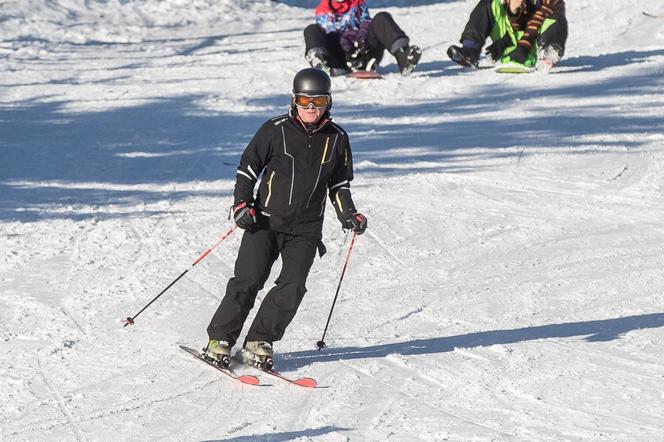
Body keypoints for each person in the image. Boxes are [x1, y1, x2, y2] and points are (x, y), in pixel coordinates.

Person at [204, 68, 368, 370]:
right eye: (305, 100)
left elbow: (339, 185)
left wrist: (348, 213)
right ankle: (220, 339)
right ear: (294, 100)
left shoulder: (337, 139)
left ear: (328, 102)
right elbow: (248, 168)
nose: (311, 108)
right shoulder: (274, 129)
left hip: (305, 229)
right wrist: (242, 204)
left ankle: (258, 340)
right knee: (248, 280)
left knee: (293, 287)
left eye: (317, 100)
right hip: (264, 221)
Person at [304, 0, 422, 76]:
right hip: (340, 56)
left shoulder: (358, 3)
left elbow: (366, 21)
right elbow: (330, 33)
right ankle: (319, 63)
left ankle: (402, 55)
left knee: (381, 17)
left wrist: (361, 39)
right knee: (312, 29)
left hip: (365, 51)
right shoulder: (323, 10)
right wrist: (348, 46)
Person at [447, 0, 567, 71]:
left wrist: (523, 47)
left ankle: (548, 54)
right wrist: (504, 41)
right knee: (488, 4)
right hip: (511, 40)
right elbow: (511, 22)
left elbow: (537, 21)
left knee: (555, 18)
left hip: (535, 42)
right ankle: (470, 50)